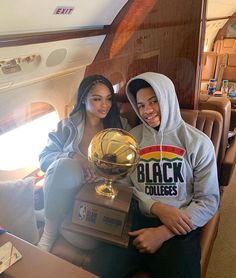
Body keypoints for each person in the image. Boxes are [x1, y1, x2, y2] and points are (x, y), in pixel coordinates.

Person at [85, 72, 220, 278]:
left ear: (167, 99)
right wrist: (156, 207)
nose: (147, 110)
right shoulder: (132, 140)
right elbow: (124, 185)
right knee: (97, 269)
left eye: (154, 101)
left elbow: (208, 200)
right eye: (140, 105)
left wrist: (163, 232)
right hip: (137, 219)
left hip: (179, 226)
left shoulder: (198, 143)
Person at [37, 74, 130, 252]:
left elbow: (128, 168)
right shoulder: (67, 126)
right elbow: (44, 158)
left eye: (109, 99)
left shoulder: (121, 128)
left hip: (92, 198)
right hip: (65, 189)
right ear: (83, 100)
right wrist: (73, 156)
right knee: (64, 165)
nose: (105, 105)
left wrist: (103, 175)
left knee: (88, 243)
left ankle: (53, 216)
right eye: (97, 99)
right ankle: (48, 234)